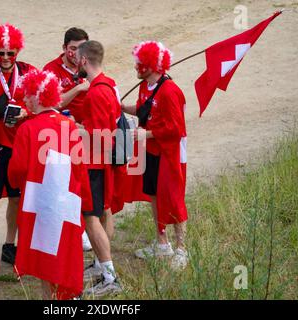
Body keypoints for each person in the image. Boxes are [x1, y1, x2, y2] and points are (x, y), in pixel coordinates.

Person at [8, 69, 92, 299]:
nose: (24, 99)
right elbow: (78, 167)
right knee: (64, 249)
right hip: (66, 200)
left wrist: (18, 185)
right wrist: (82, 199)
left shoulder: (27, 128)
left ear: (38, 96)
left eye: (27, 94)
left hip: (38, 202)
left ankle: (48, 297)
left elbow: (16, 170)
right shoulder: (69, 125)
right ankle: (66, 295)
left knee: (43, 252)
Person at [121, 41, 188, 270]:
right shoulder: (144, 87)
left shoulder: (170, 91)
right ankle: (162, 243)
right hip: (150, 151)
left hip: (168, 154)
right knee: (154, 196)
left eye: (141, 63)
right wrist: (119, 107)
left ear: (152, 65)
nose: (137, 66)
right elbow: (142, 110)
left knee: (173, 199)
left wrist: (146, 134)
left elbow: (176, 129)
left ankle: (182, 249)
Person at [0, 23, 36, 265]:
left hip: (20, 146)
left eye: (9, 53)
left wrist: (26, 113)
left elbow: (44, 102)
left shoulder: (30, 72)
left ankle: (10, 244)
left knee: (16, 198)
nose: (4, 58)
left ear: (17, 52)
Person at [76, 40, 123, 296]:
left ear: (84, 61)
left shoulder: (95, 92)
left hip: (94, 163)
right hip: (100, 162)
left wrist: (77, 129)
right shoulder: (108, 87)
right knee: (96, 217)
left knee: (91, 220)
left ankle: (109, 276)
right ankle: (102, 268)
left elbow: (102, 135)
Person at [43, 27, 92, 252]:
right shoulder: (50, 70)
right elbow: (52, 102)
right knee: (66, 183)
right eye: (72, 49)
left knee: (86, 182)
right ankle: (72, 229)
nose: (76, 53)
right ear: (64, 48)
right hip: (60, 136)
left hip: (87, 133)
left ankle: (84, 227)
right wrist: (78, 89)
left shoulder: (88, 64)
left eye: (81, 48)